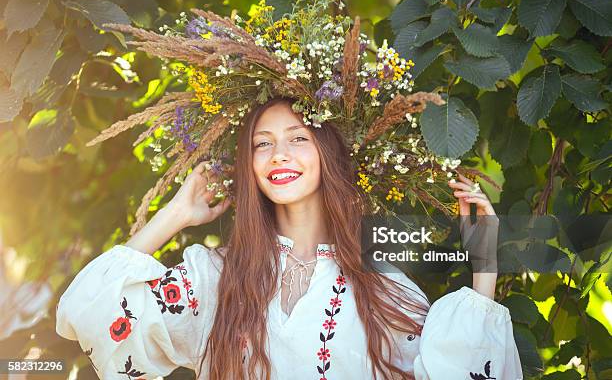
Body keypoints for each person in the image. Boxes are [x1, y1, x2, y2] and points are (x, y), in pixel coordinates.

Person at [56, 96, 523, 380]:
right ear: (250, 164)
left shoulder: (381, 287)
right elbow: (93, 316)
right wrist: (176, 213)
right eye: (263, 143)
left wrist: (484, 264)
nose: (279, 154)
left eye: (298, 138)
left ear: (328, 152)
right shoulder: (216, 278)